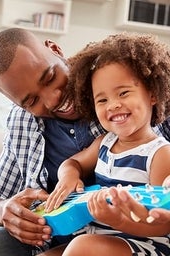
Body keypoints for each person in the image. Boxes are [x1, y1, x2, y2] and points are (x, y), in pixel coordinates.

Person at [0, 28, 105, 256]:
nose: (53, 99)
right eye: (32, 100)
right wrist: (4, 211)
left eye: (49, 77)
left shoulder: (115, 92)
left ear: (55, 50)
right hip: (46, 241)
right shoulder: (24, 121)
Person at [41, 32, 170, 256]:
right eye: (102, 100)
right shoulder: (105, 142)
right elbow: (72, 163)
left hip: (145, 243)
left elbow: (162, 224)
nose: (113, 105)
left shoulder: (160, 154)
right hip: (100, 236)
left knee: (81, 247)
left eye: (123, 93)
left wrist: (119, 221)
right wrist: (69, 175)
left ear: (152, 94)